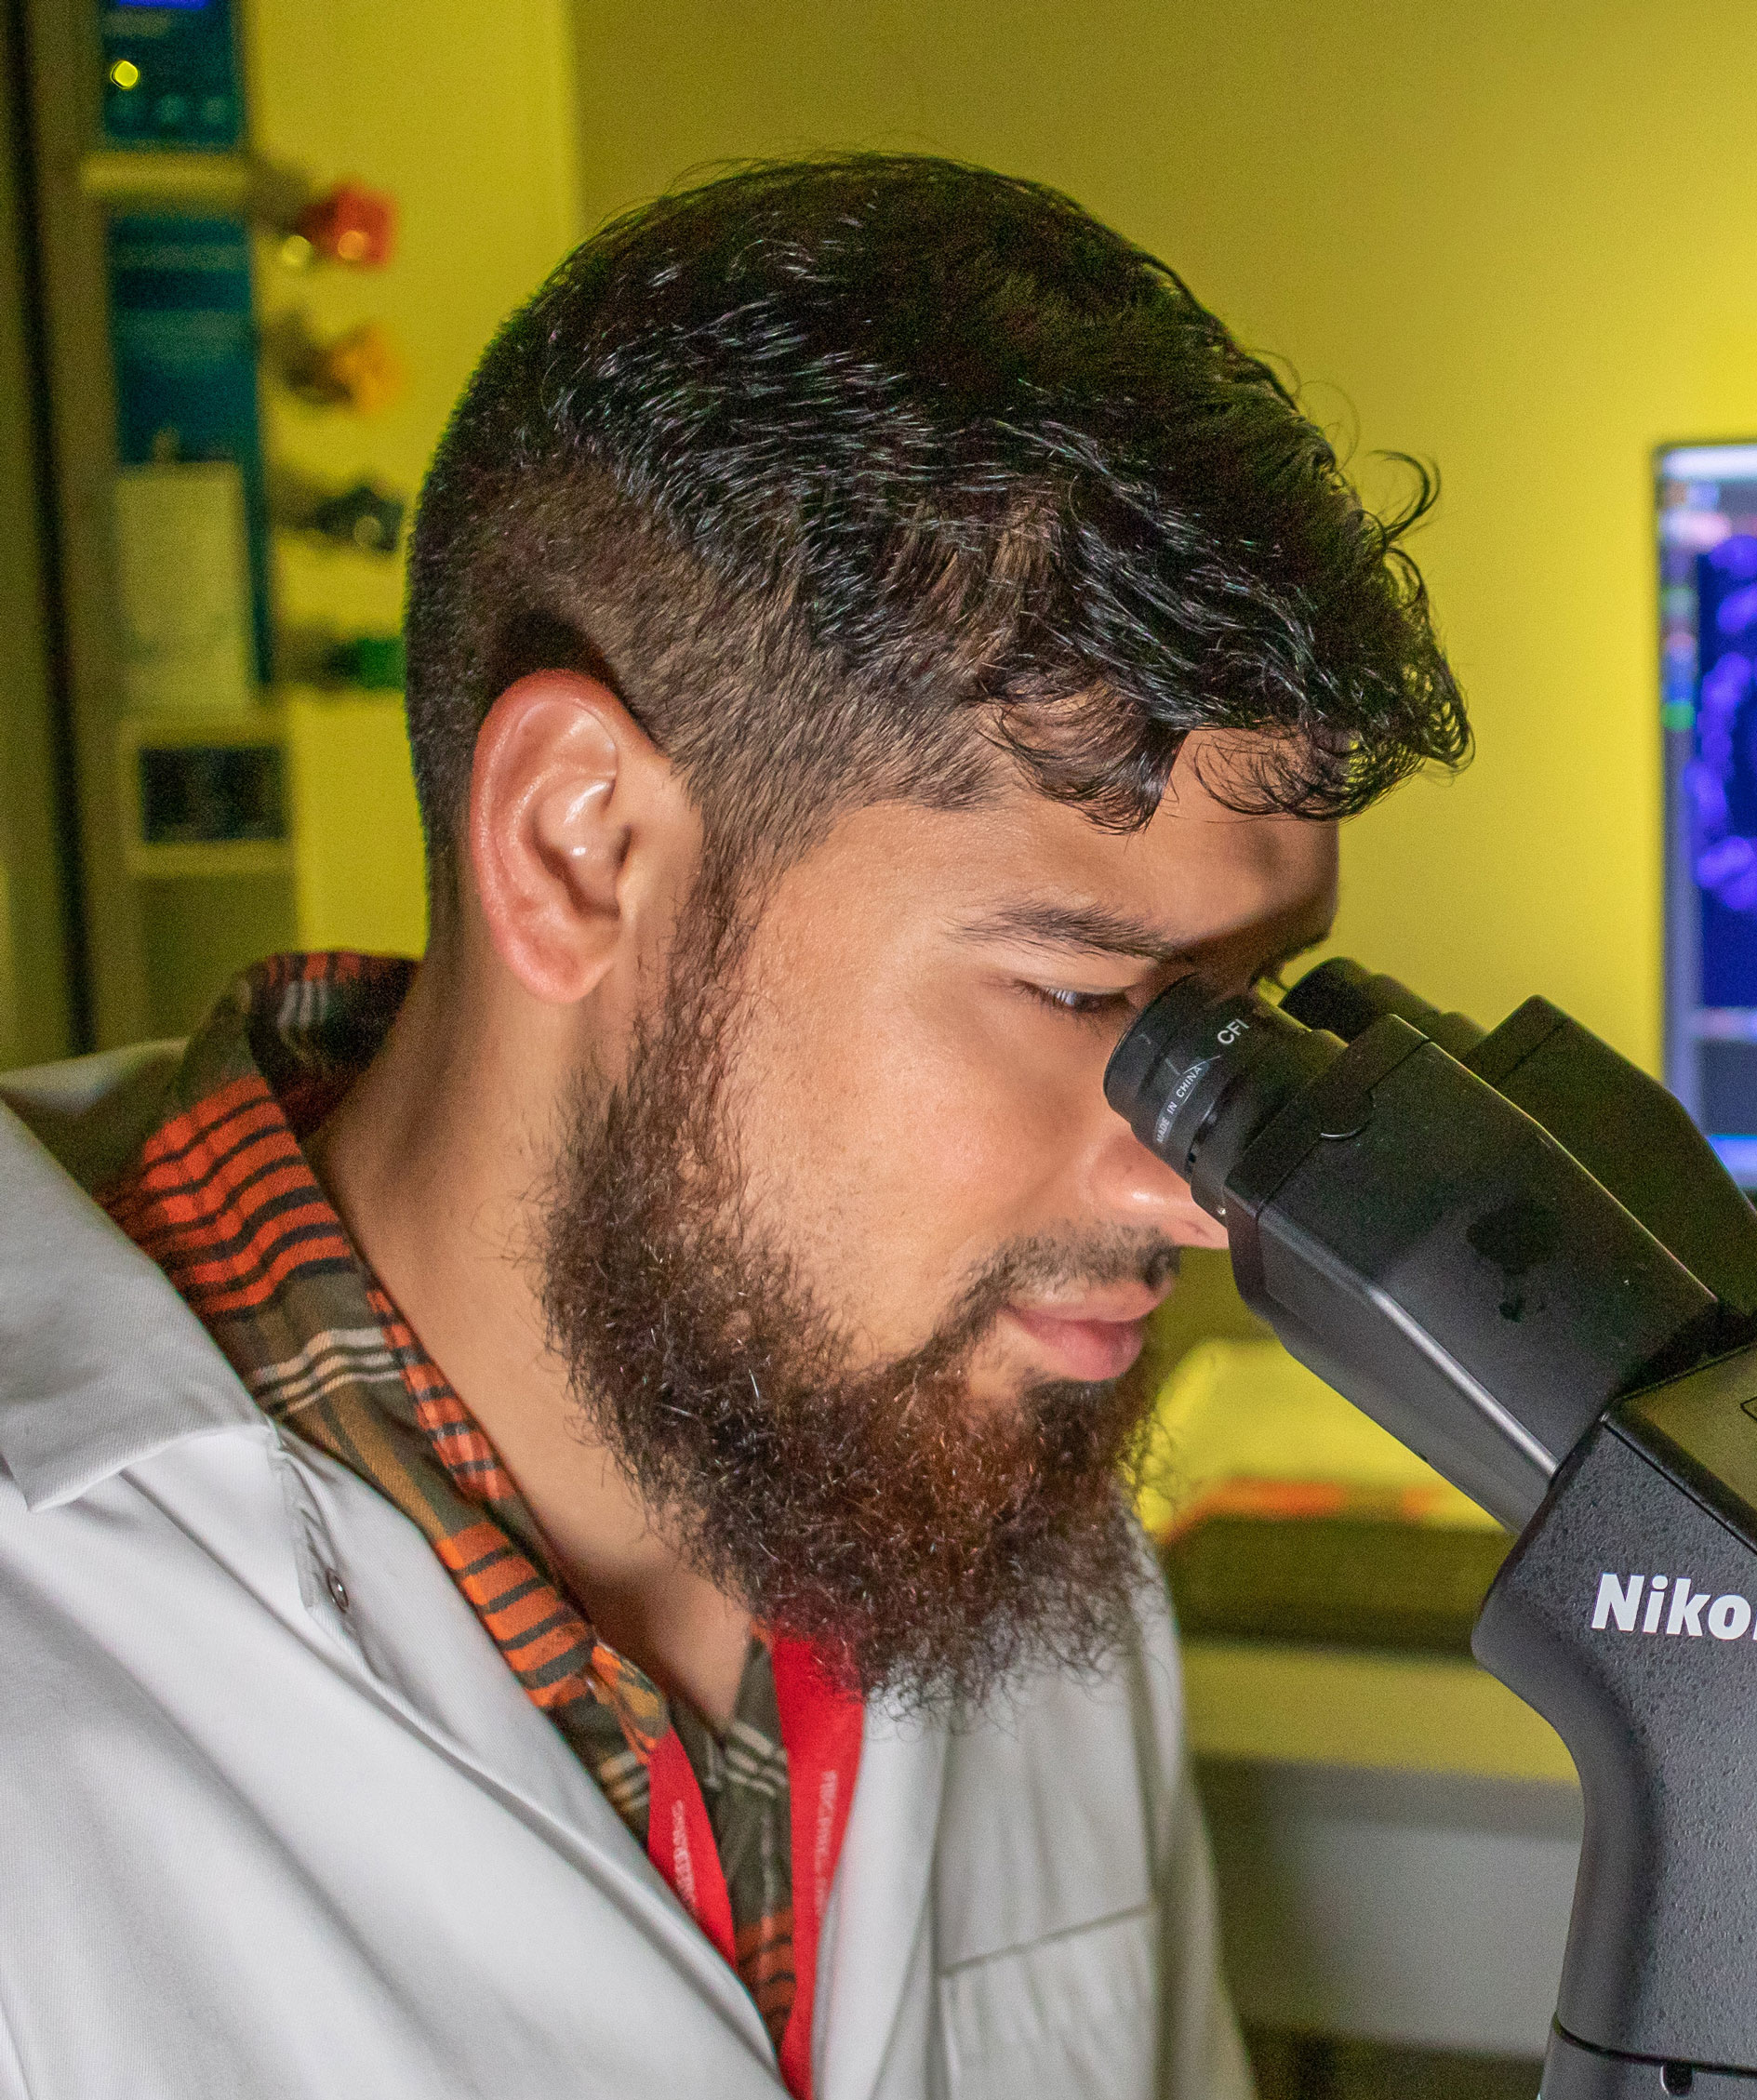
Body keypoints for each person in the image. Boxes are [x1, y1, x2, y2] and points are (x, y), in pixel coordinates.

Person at [0, 154, 1468, 2097]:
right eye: (1081, 992)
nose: (1191, 1190)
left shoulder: (1006, 1535)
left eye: (1235, 1011)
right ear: (578, 845)